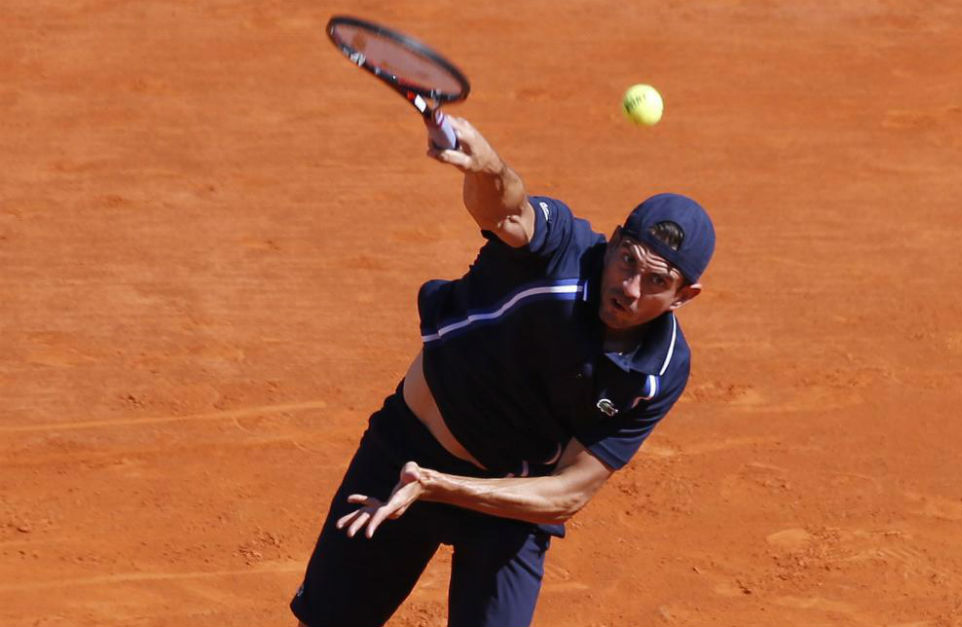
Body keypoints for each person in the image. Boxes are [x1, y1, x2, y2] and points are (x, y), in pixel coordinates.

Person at [290, 117, 715, 627]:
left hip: (509, 504)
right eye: (627, 261)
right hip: (407, 449)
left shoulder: (658, 372)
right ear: (616, 242)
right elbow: (509, 210)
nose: (630, 288)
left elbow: (568, 493)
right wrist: (487, 165)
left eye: (655, 281)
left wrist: (439, 486)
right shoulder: (562, 250)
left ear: (684, 297)